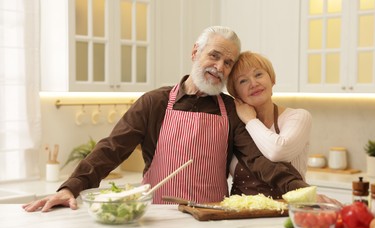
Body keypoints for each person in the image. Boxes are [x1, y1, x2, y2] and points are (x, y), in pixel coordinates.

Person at [23, 26, 335, 213]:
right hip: (157, 215)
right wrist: (70, 188)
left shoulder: (231, 109)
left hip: (211, 217)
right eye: (214, 55)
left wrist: (300, 190)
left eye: (228, 62)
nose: (219, 66)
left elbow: (261, 161)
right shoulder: (155, 103)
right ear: (195, 52)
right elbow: (111, 149)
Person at [226, 51, 312, 199]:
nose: (253, 83)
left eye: (258, 74)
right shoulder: (235, 128)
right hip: (239, 216)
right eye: (243, 81)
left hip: (286, 215)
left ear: (272, 79)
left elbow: (278, 151)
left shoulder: (298, 117)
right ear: (236, 94)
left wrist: (250, 120)